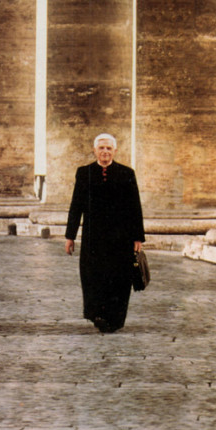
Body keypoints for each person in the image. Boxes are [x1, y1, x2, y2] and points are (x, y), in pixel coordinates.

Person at [65, 133, 145, 333]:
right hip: (94, 237)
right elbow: (76, 206)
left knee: (119, 278)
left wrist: (137, 237)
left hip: (121, 238)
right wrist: (70, 236)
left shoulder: (127, 173)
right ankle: (97, 314)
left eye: (109, 148)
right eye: (101, 148)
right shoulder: (84, 173)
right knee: (93, 276)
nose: (105, 152)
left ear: (115, 151)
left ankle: (115, 318)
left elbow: (135, 207)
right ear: (94, 151)